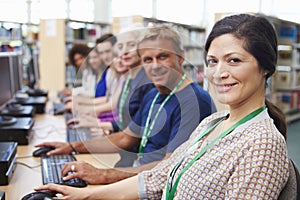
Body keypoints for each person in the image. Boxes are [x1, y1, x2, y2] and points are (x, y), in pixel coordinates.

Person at [35, 14, 290, 199]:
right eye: (212, 62)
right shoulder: (212, 124)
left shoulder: (262, 144)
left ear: (265, 66)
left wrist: (102, 178)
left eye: (234, 60)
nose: (219, 73)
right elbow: (160, 176)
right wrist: (83, 196)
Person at [35, 25, 215, 185]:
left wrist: (103, 175)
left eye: (162, 57)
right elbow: (125, 138)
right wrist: (73, 147)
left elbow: (169, 168)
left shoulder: (194, 101)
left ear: (181, 57)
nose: (155, 66)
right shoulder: (153, 93)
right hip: (137, 175)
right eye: (147, 59)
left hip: (155, 185)